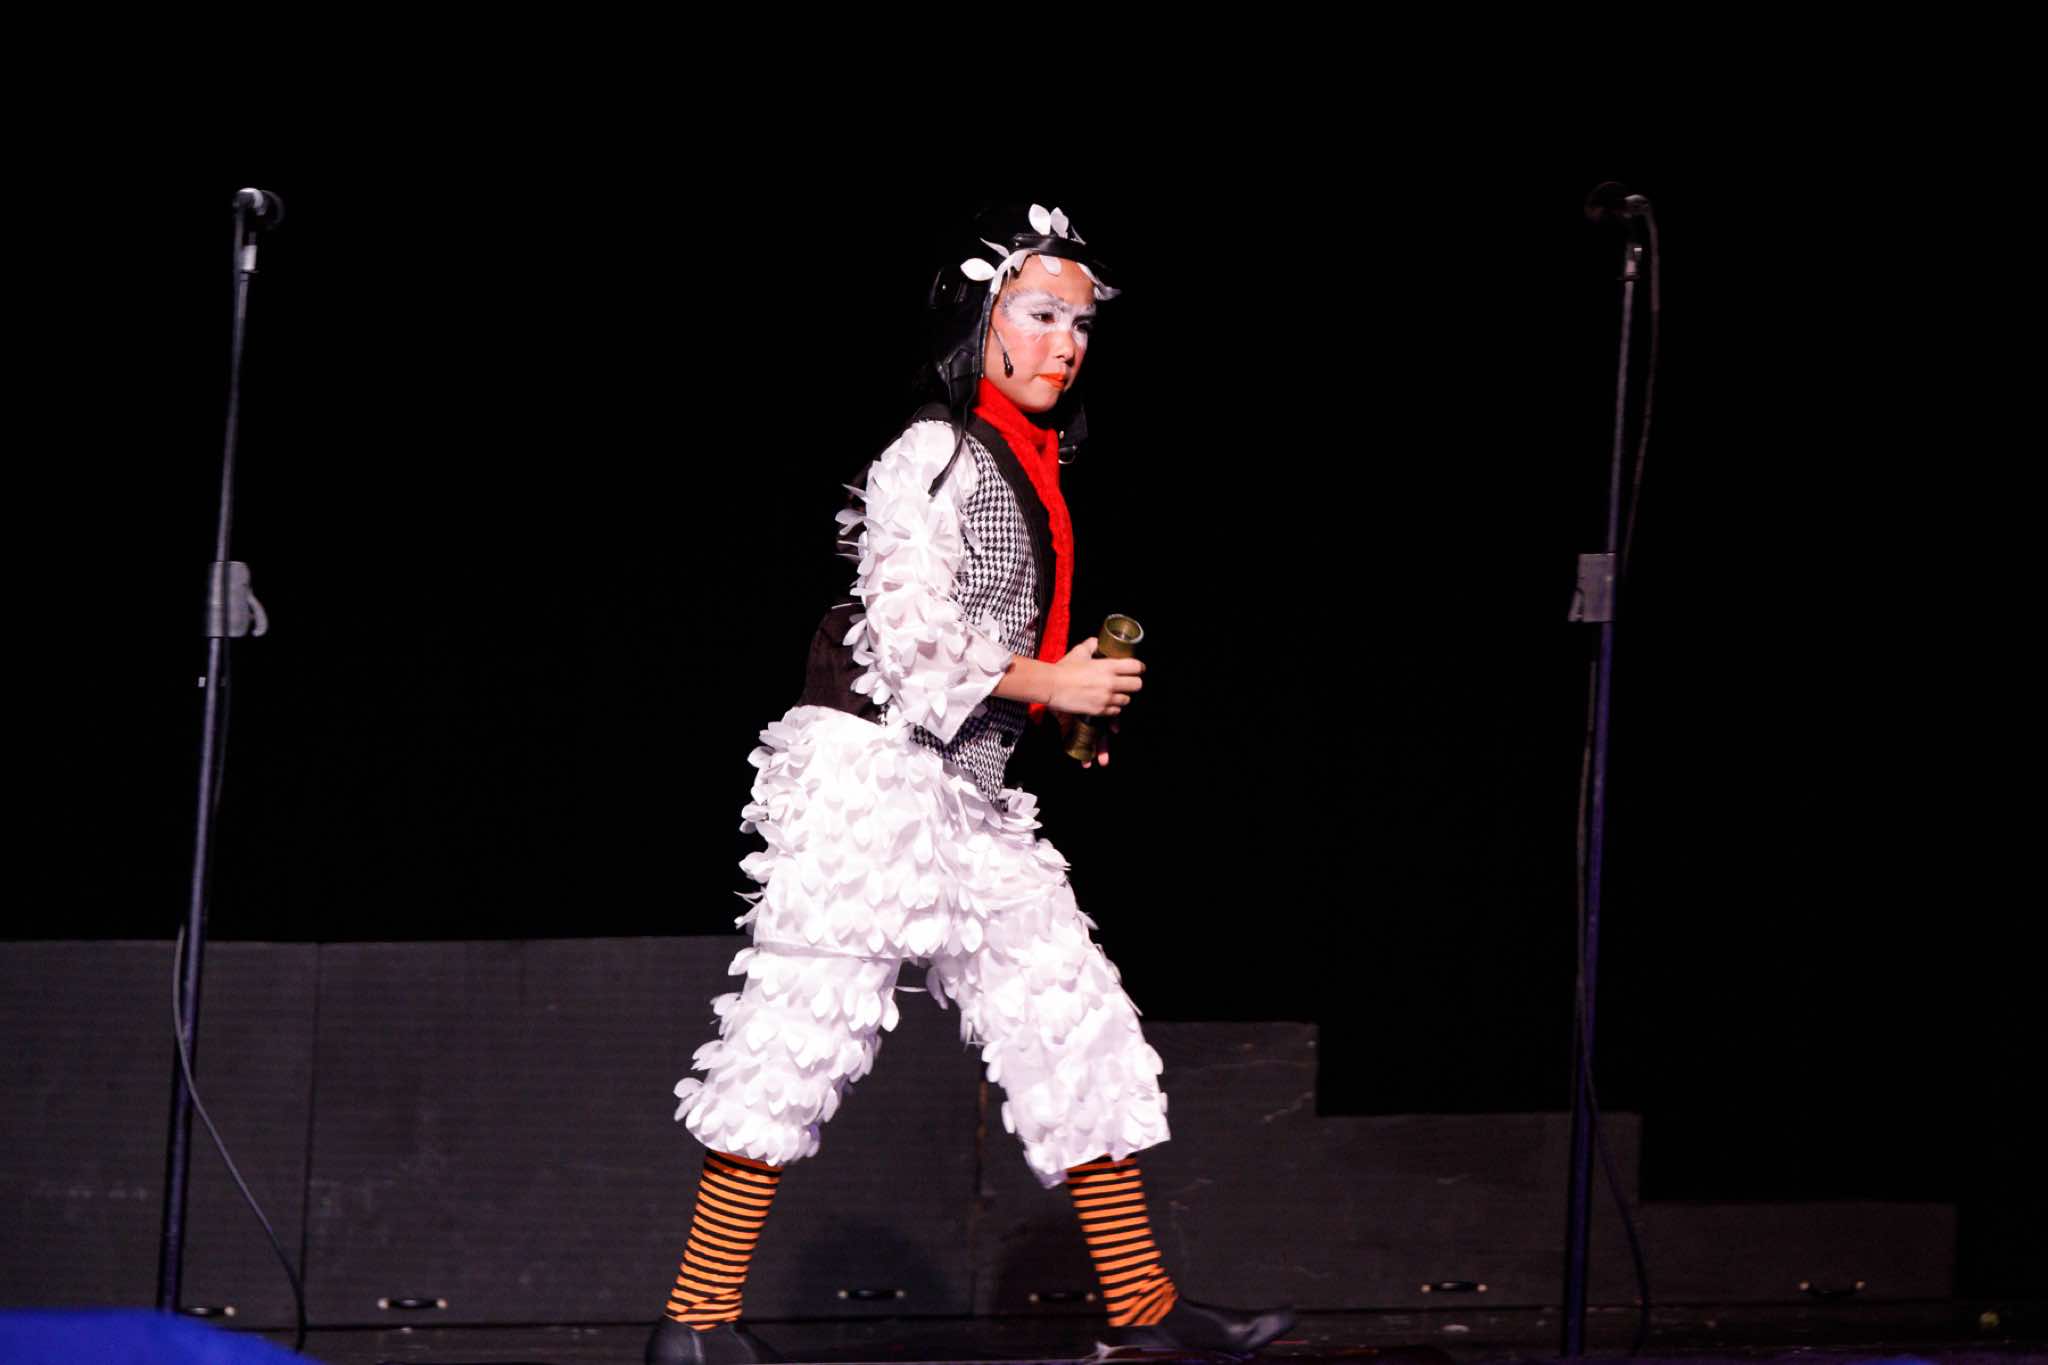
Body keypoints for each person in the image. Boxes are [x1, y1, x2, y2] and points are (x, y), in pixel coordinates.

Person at [647, 203, 1294, 1365]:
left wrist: (1054, 701)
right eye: (1038, 316)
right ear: (977, 321)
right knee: (796, 1036)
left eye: (1079, 325)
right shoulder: (932, 453)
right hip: (868, 782)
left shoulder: (1031, 465)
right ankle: (692, 1328)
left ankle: (1143, 1313)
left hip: (970, 794)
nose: (1064, 344)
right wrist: (1049, 679)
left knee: (1070, 1018)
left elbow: (983, 649)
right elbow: (905, 638)